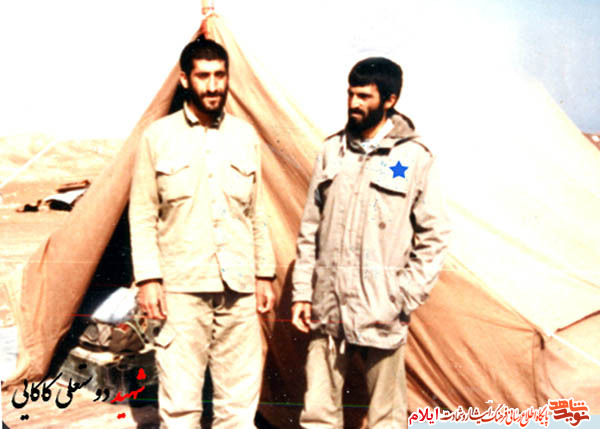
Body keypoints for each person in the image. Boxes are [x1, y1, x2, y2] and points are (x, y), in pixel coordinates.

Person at [291, 57, 450, 428]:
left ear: (390, 100)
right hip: (329, 304)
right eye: (351, 94)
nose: (353, 103)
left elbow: (435, 234)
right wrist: (302, 293)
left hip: (382, 308)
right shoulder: (332, 150)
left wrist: (402, 295)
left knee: (387, 417)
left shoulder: (414, 157)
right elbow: (310, 229)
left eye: (364, 96)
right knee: (317, 414)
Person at [129, 37, 276, 429]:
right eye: (203, 76)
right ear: (184, 80)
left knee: (238, 405)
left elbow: (257, 211)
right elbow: (142, 213)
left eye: (220, 76)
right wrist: (148, 279)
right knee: (180, 405)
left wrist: (264, 273)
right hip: (181, 289)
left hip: (238, 287)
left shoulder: (245, 136)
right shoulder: (157, 137)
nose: (213, 86)